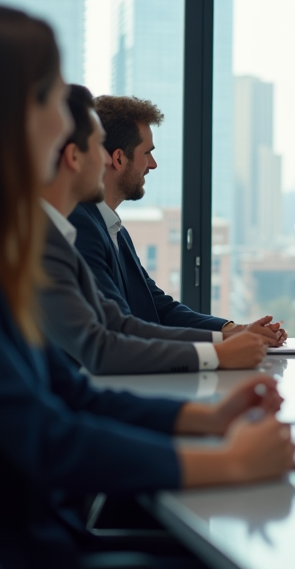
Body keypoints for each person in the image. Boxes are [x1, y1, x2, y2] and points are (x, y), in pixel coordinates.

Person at [0, 0, 295, 569]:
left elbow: (69, 393)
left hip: (53, 556)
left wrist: (208, 417)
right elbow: (46, 438)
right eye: (53, 101)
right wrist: (225, 462)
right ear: (0, 116)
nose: (66, 125)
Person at [39, 86, 270, 375]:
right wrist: (217, 350)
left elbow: (149, 309)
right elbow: (109, 339)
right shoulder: (73, 229)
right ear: (117, 158)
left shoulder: (113, 229)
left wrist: (229, 332)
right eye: (147, 153)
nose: (153, 164)